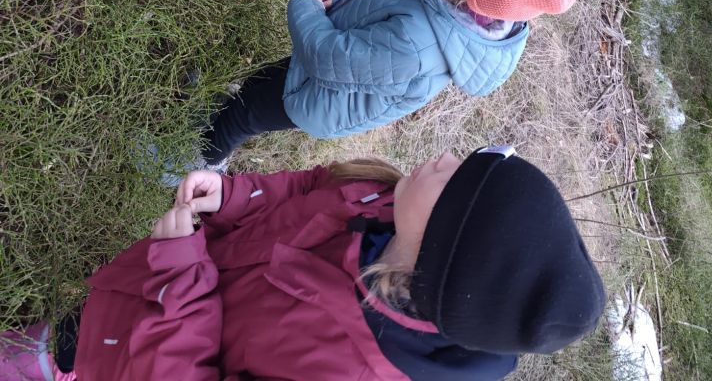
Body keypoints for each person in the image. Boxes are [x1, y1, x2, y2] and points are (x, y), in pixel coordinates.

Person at [0, 146, 606, 380]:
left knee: (66, 359)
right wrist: (235, 196)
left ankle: (51, 365)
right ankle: (56, 347)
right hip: (141, 301)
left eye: (456, 179)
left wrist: (180, 281)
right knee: (74, 332)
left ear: (446, 254)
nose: (446, 157)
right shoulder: (381, 201)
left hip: (143, 351)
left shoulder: (346, 369)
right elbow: (310, 187)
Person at [196, 0, 582, 169]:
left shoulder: (418, 46)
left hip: (317, 97)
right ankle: (224, 112)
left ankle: (195, 161)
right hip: (328, 71)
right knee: (261, 83)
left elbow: (327, 57)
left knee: (245, 116)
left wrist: (305, 6)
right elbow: (390, 5)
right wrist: (346, 1)